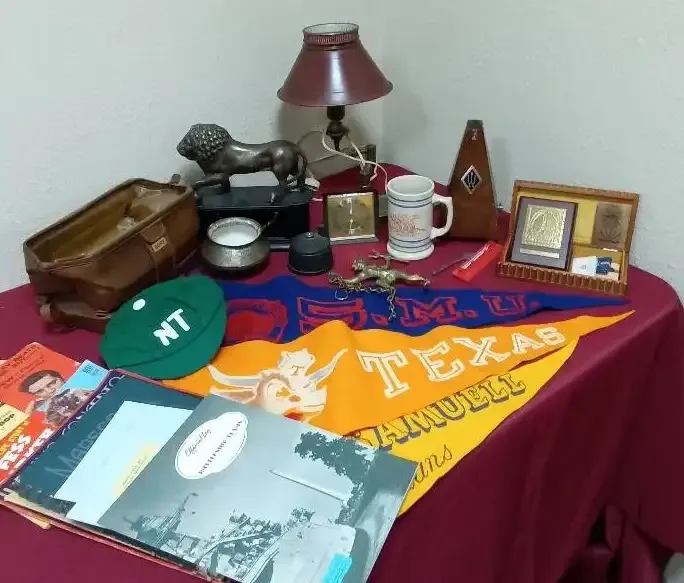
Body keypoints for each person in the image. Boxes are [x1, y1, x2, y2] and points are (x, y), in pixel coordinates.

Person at [19, 370, 91, 421]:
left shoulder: (87, 382)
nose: (50, 391)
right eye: (40, 391)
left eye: (52, 383)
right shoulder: (42, 413)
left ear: (62, 377)